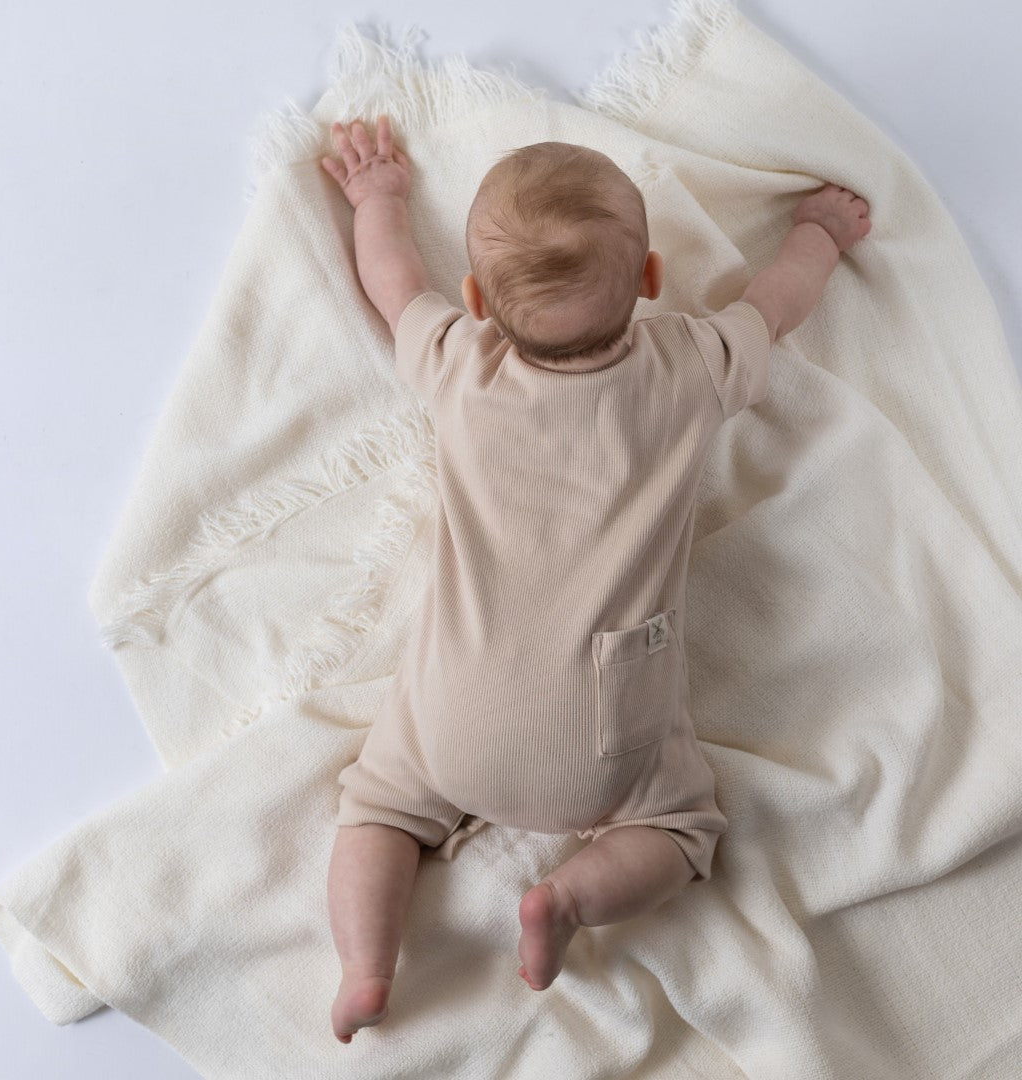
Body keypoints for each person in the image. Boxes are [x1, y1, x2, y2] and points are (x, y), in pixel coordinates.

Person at [319, 114, 872, 1044]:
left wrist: (378, 197)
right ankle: (567, 897)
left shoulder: (461, 366)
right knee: (681, 830)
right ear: (652, 282)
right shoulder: (691, 364)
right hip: (607, 734)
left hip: (457, 715)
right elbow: (780, 299)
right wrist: (818, 231)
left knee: (376, 812)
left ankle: (366, 970)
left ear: (478, 303)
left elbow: (391, 283)